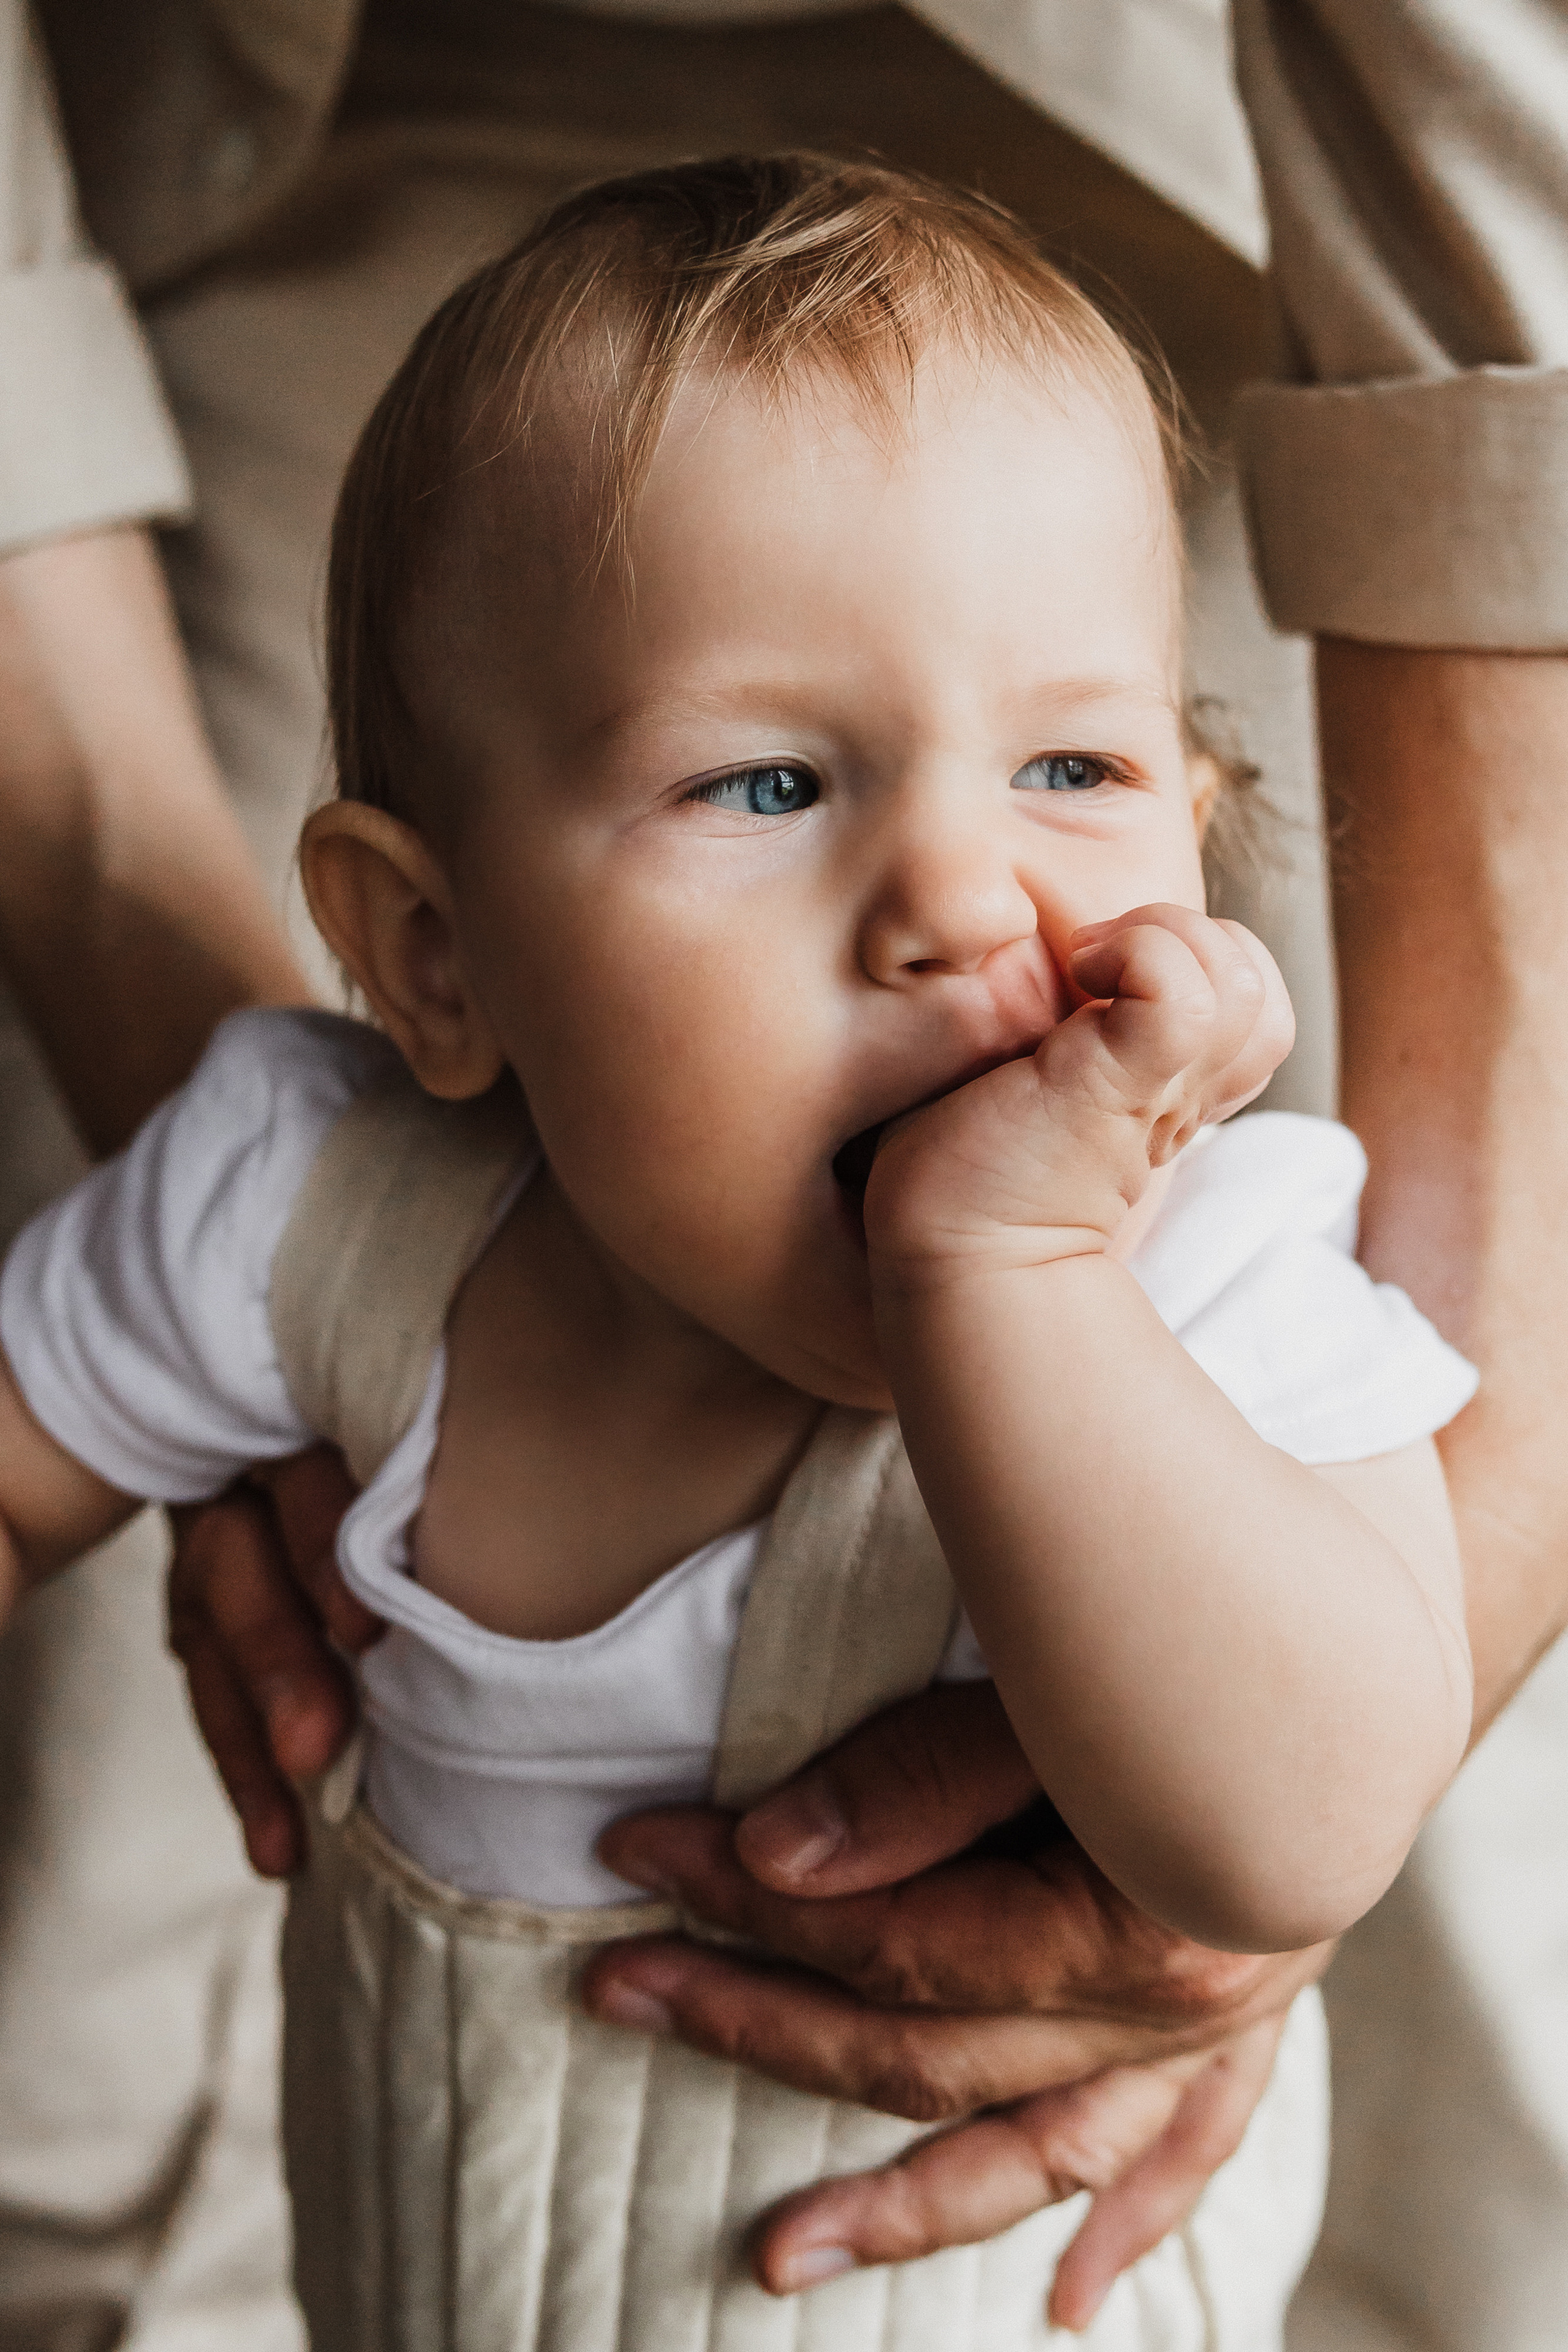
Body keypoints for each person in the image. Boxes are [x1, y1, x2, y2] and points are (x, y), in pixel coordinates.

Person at [4, 7, 1568, 2351]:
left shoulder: (1223, 1278)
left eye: (1071, 763)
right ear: (431, 957)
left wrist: (1016, 1273)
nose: (960, 896)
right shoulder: (300, 1193)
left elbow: (1295, 1830)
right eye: (765, 787)